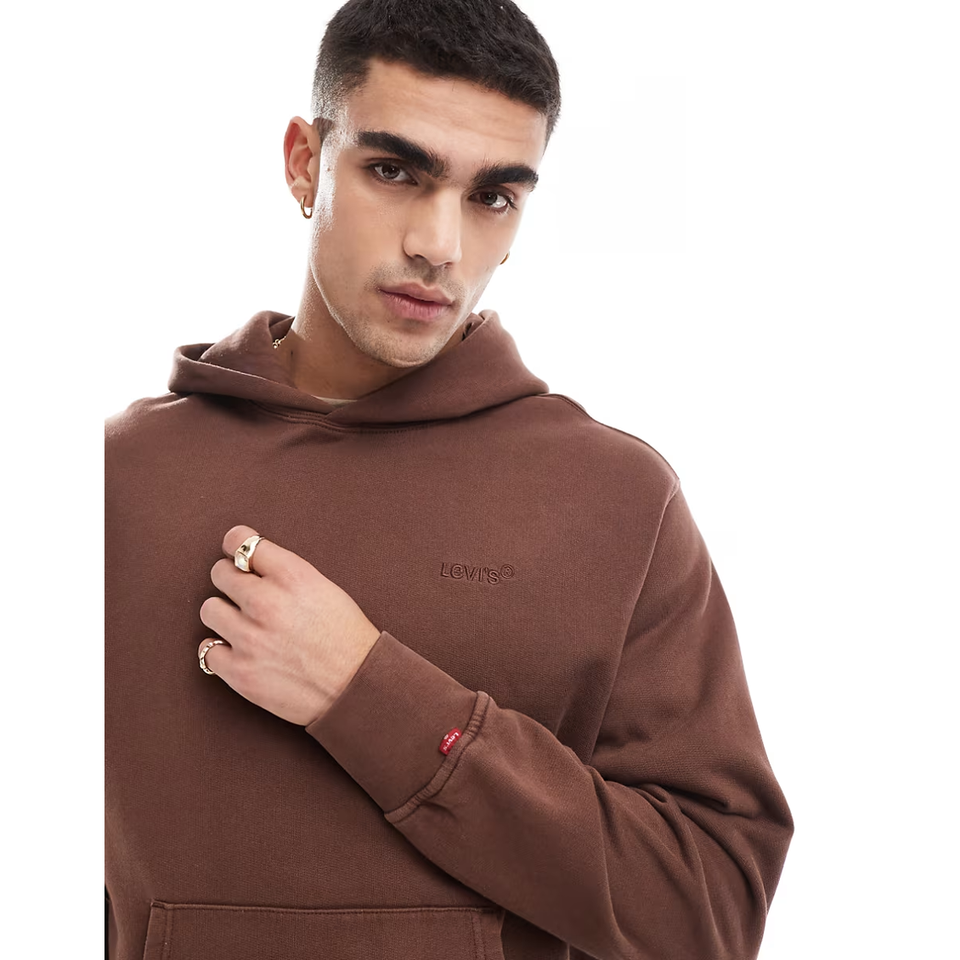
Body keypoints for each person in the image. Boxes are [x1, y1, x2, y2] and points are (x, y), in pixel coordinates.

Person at [105, 1, 793, 958]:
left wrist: (367, 695)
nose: (440, 244)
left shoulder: (616, 500)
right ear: (305, 162)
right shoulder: (116, 479)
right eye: (395, 171)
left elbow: (708, 912)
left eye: (492, 196)